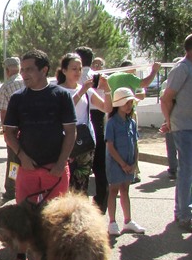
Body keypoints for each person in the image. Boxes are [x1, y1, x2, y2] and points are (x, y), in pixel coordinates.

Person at [2, 49, 76, 260]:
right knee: (23, 217)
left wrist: (59, 165)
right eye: (22, 69)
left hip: (56, 170)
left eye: (29, 69)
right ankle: (21, 257)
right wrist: (22, 157)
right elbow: (9, 133)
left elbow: (71, 132)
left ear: (44, 69)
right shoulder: (18, 99)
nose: (23, 74)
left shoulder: (61, 96)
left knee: (56, 220)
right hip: (27, 171)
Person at [160, 34, 192, 234]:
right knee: (187, 172)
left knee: (189, 173)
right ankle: (184, 215)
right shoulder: (182, 68)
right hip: (186, 128)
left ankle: (183, 211)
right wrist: (170, 123)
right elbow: (166, 99)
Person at [56, 53, 111, 195]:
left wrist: (107, 89)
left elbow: (107, 108)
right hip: (64, 144)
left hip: (84, 145)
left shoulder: (88, 91)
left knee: (81, 185)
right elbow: (63, 110)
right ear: (64, 71)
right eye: (73, 69)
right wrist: (81, 91)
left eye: (80, 69)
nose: (78, 72)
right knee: (64, 186)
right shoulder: (57, 91)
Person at [105, 88, 144, 235]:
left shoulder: (131, 122)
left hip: (129, 163)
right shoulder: (112, 123)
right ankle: (112, 222)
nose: (129, 106)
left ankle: (128, 221)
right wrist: (122, 164)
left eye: (130, 103)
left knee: (125, 190)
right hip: (116, 163)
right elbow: (110, 145)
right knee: (113, 191)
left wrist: (134, 163)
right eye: (125, 103)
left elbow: (135, 144)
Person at [0, 57, 24, 201]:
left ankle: (12, 188)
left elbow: (4, 112)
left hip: (14, 131)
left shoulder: (6, 86)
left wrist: (6, 131)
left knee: (14, 161)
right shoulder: (29, 81)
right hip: (30, 129)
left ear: (7, 71)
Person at [89, 56, 109, 211]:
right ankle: (101, 200)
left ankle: (101, 200)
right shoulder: (89, 77)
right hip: (93, 119)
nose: (97, 66)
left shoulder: (100, 77)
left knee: (98, 164)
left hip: (96, 118)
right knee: (98, 165)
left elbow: (105, 106)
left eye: (99, 64)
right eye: (95, 63)